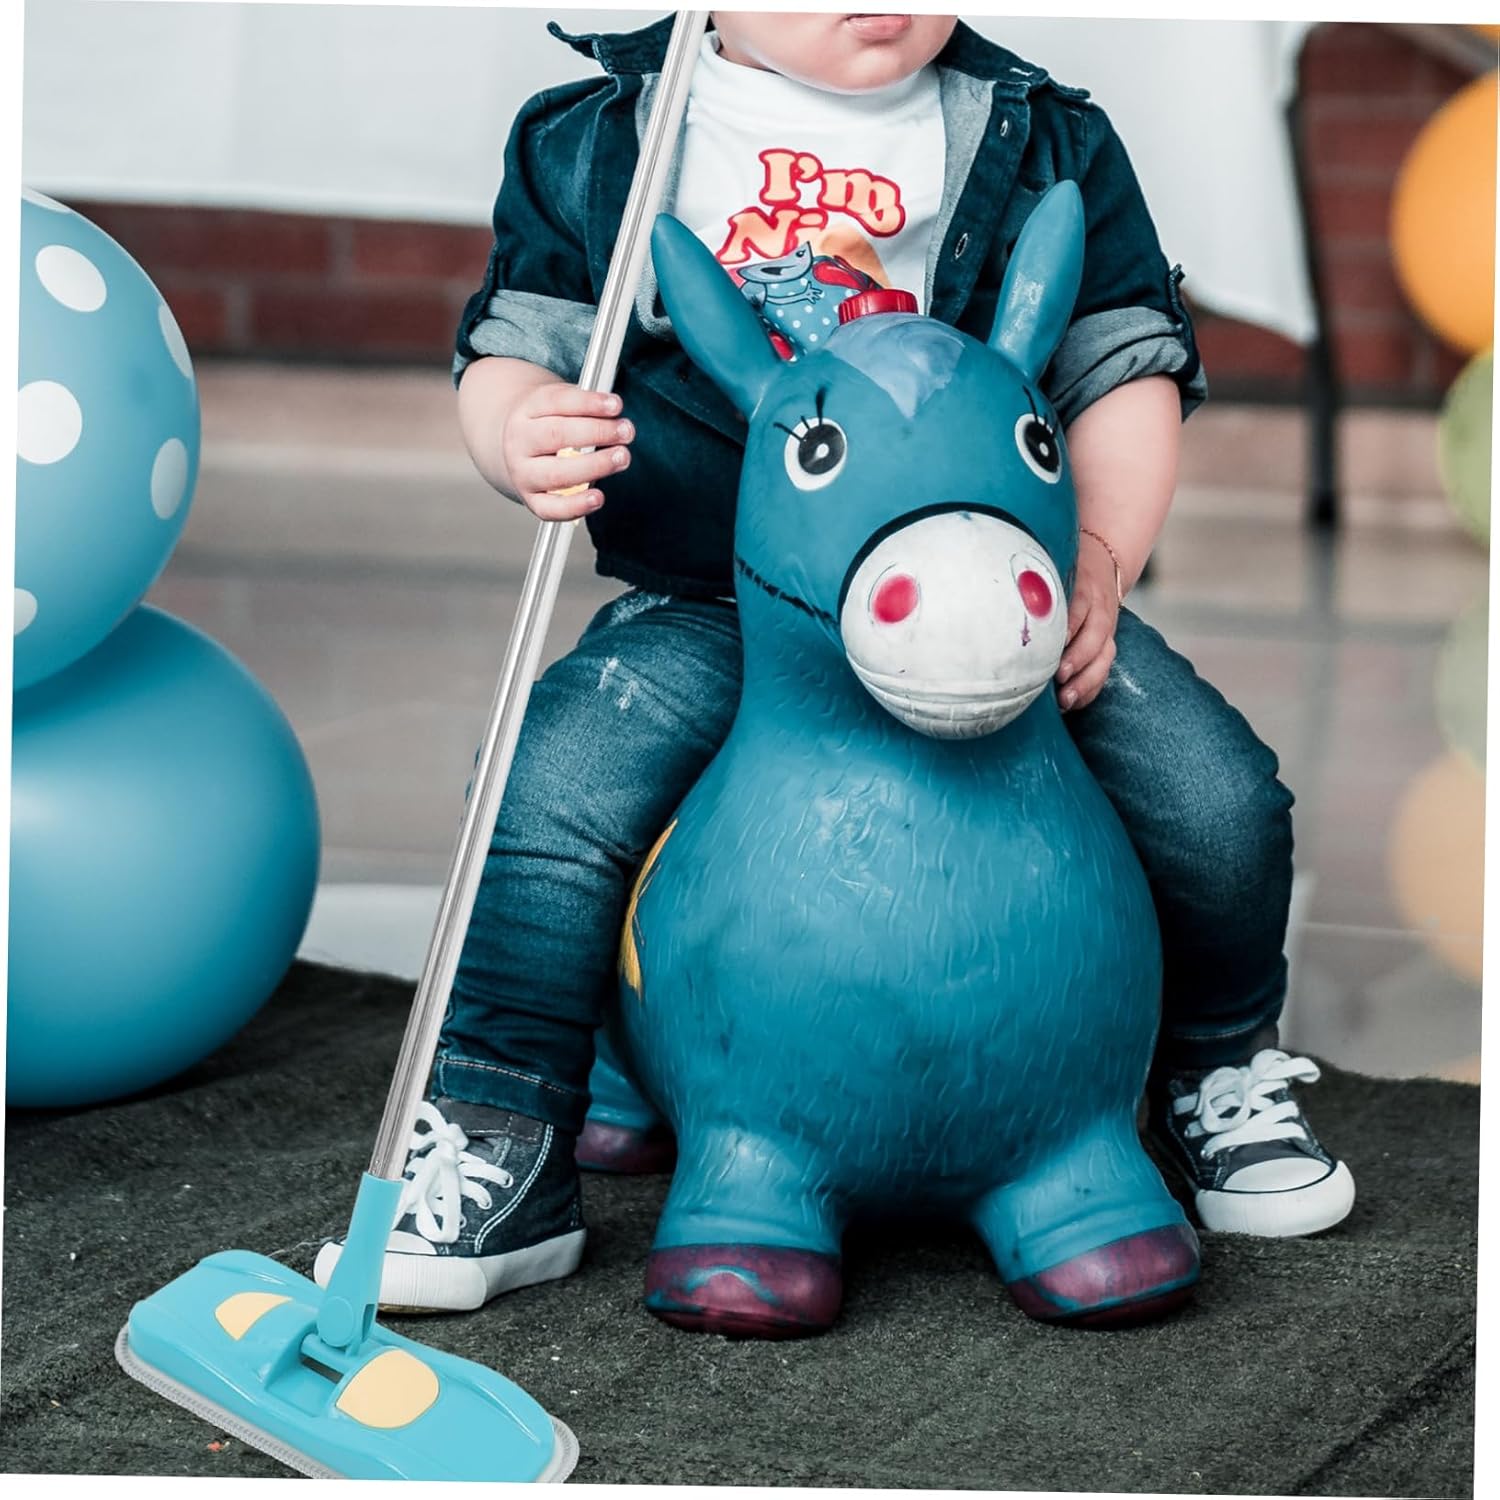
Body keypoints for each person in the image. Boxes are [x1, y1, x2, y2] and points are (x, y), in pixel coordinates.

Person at [314, 11, 1354, 1313]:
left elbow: (1120, 364)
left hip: (987, 595)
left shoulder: (1045, 137)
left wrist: (1098, 554)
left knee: (1218, 799)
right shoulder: (601, 142)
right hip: (718, 595)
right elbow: (516, 344)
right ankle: (501, 1119)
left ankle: (1215, 1063)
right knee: (548, 795)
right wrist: (518, 426)